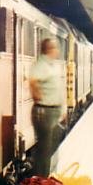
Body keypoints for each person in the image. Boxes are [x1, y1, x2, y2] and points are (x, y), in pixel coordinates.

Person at [28, 38, 67, 176]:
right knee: (45, 149)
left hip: (53, 111)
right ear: (50, 49)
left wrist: (62, 109)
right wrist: (37, 95)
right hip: (44, 111)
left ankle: (43, 175)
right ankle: (40, 179)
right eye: (56, 48)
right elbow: (33, 80)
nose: (58, 51)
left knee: (51, 144)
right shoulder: (41, 65)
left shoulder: (52, 65)